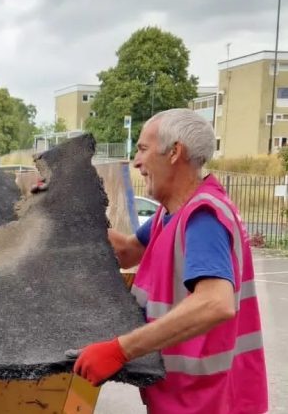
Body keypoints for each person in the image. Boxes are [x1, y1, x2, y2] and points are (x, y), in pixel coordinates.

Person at [73, 109, 268, 413]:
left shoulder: (203, 217)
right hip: (186, 395)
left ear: (175, 152)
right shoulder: (170, 214)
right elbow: (125, 251)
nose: (136, 162)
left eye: (143, 149)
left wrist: (120, 350)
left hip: (209, 401)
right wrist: (70, 212)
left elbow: (216, 303)